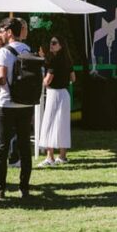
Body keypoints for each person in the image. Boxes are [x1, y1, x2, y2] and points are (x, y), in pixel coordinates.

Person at [0, 17, 35, 201]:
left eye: (2, 30)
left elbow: (2, 80)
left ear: (9, 32)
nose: (0, 33)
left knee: (2, 147)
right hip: (26, 104)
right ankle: (24, 189)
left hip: (6, 104)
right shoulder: (28, 49)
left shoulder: (4, 52)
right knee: (24, 147)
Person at [38, 35, 75, 167]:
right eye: (51, 42)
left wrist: (40, 81)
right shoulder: (67, 60)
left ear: (61, 45)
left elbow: (47, 80)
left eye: (54, 43)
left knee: (49, 123)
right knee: (63, 125)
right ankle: (62, 156)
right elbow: (73, 78)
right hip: (64, 94)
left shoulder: (54, 60)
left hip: (54, 93)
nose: (51, 45)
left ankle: (50, 157)